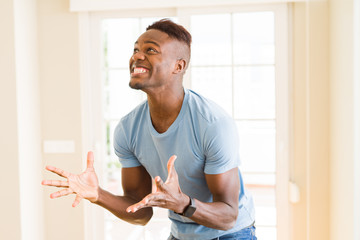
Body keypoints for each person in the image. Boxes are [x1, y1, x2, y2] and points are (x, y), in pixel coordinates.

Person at [42, 19, 256, 240]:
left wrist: (182, 203)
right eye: (135, 50)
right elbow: (141, 213)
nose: (137, 56)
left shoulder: (212, 123)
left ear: (178, 66)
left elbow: (228, 216)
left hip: (232, 234)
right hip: (181, 233)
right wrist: (98, 195)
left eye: (150, 50)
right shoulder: (128, 129)